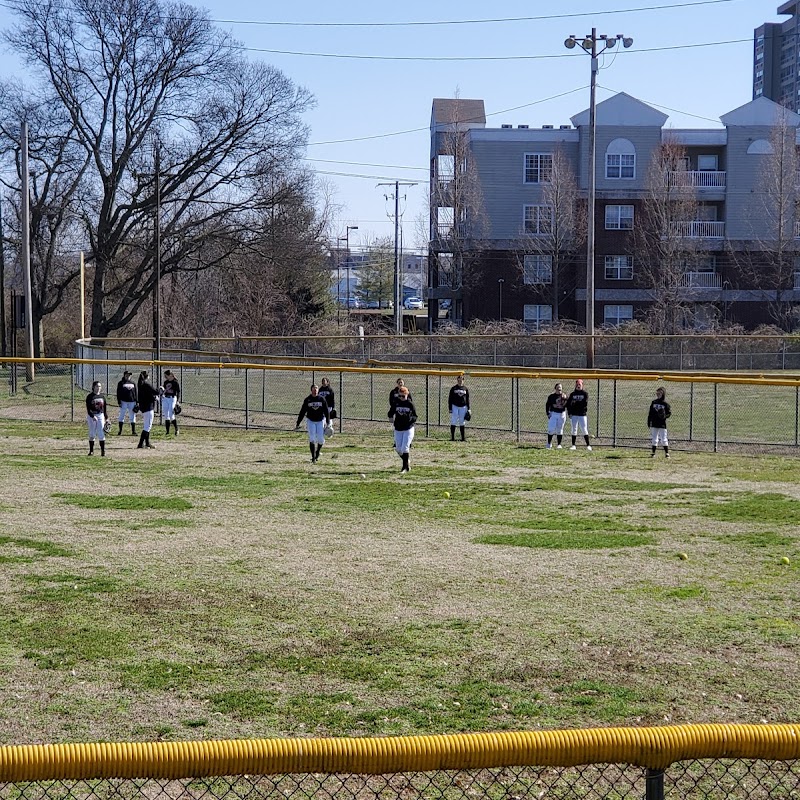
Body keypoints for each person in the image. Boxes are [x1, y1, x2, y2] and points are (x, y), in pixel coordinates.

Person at [295, 384, 331, 463]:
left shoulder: (322, 399)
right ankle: (313, 457)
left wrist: (328, 422)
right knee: (312, 438)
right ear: (311, 390)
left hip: (320, 421)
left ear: (318, 390)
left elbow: (326, 411)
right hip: (311, 420)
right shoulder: (308, 399)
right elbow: (302, 411)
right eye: (314, 389)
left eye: (317, 389)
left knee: (321, 440)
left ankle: (317, 451)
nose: (315, 390)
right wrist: (298, 422)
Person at [389, 385, 417, 473]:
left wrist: (409, 421)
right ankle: (406, 461)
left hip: (408, 428)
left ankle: (405, 468)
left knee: (405, 448)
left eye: (403, 396)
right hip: (398, 428)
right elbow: (391, 411)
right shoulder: (396, 402)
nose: (401, 397)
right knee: (398, 449)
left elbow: (415, 416)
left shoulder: (410, 404)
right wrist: (390, 417)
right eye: (400, 395)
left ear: (407, 395)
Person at [136, 371, 161, 450]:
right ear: (147, 377)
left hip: (144, 407)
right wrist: (160, 389)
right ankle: (140, 444)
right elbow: (156, 392)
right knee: (147, 426)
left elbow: (148, 395)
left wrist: (153, 397)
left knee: (147, 426)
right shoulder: (146, 385)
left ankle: (147, 443)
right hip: (148, 407)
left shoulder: (141, 385)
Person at [566, 378, 592, 451]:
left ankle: (588, 445)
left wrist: (575, 403)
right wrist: (569, 412)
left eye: (580, 384)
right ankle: (573, 445)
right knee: (574, 429)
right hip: (574, 414)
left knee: (584, 429)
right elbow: (569, 404)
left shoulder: (585, 394)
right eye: (577, 384)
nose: (578, 386)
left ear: (582, 385)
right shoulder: (572, 394)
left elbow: (584, 403)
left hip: (582, 414)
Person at [647, 386, 672, 459]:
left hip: (662, 424)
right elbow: (650, 413)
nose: (658, 394)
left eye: (660, 393)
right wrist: (649, 421)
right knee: (654, 438)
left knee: (664, 438)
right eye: (657, 393)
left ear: (663, 394)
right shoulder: (654, 402)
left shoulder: (665, 404)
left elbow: (669, 413)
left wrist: (664, 416)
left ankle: (667, 453)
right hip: (654, 422)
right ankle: (653, 453)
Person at [85, 380, 108, 457]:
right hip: (92, 416)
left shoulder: (102, 397)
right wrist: (92, 416)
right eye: (97, 386)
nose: (98, 388)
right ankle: (91, 451)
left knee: (101, 433)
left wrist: (106, 418)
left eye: (99, 386)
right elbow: (88, 409)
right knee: (92, 433)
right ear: (93, 387)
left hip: (100, 415)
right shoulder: (90, 397)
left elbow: (104, 409)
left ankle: (103, 451)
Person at [545, 382, 568, 449]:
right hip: (554, 413)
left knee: (560, 429)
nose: (559, 389)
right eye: (558, 387)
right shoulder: (551, 396)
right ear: (555, 388)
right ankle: (549, 443)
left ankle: (559, 444)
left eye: (560, 387)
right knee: (551, 429)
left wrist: (566, 399)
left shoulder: (564, 396)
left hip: (562, 414)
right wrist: (548, 413)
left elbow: (568, 405)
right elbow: (547, 405)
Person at [448, 374, 470, 441]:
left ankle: (463, 438)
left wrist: (469, 408)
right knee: (453, 421)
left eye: (462, 379)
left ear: (463, 380)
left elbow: (467, 399)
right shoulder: (453, 388)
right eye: (459, 379)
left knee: (462, 421)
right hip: (455, 406)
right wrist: (450, 408)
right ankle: (452, 438)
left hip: (463, 407)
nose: (460, 381)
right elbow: (450, 399)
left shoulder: (465, 389)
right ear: (457, 380)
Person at [115, 370, 138, 436]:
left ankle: (133, 431)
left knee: (132, 416)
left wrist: (137, 401)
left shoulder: (133, 383)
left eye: (129, 375)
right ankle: (120, 431)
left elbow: (136, 392)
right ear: (124, 375)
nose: (128, 376)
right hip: (123, 401)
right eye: (127, 375)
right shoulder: (121, 383)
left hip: (132, 401)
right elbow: (118, 392)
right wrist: (119, 401)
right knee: (121, 416)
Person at [161, 369, 181, 436]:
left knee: (171, 414)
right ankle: (167, 432)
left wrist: (177, 401)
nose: (165, 377)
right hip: (166, 398)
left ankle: (176, 429)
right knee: (166, 415)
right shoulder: (166, 382)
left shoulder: (175, 382)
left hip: (172, 398)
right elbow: (164, 390)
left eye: (166, 375)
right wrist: (162, 393)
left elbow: (178, 392)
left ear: (170, 375)